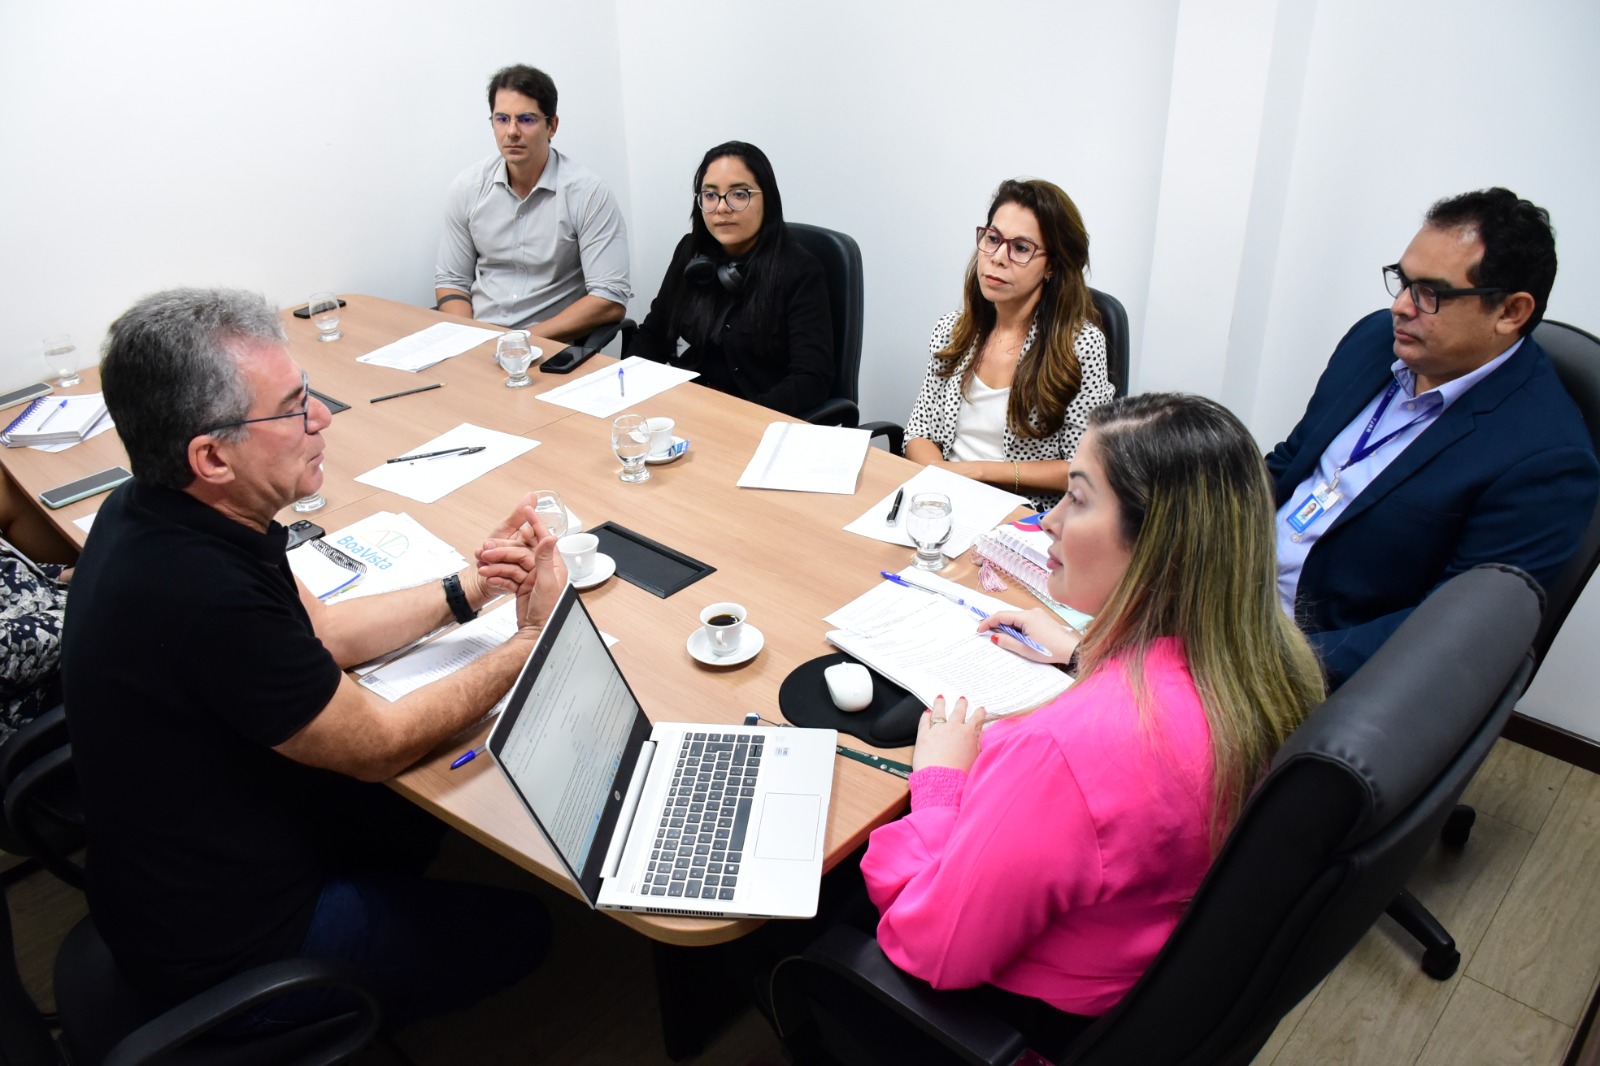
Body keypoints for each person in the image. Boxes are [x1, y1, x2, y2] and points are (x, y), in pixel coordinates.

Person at [61, 288, 567, 1029]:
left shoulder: (151, 506)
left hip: (179, 864)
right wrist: (532, 643)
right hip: (232, 939)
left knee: (423, 825)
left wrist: (475, 585)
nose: (323, 419)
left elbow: (321, 630)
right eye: (296, 407)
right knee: (529, 927)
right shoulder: (201, 595)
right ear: (211, 455)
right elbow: (377, 744)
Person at [860, 393, 1323, 1034]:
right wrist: (1082, 650)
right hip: (1149, 970)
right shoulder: (1270, 665)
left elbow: (932, 946)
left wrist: (938, 787)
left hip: (1029, 1017)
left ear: (1156, 541)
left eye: (1077, 498)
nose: (1049, 522)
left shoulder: (1063, 752)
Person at [1268, 188, 1600, 687]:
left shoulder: (1547, 458)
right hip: (1237, 598)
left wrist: (1269, 660)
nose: (1401, 307)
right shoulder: (1373, 341)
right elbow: (1292, 464)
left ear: (1510, 311)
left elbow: (1451, 632)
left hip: (1317, 658)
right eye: (1402, 282)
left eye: (1431, 293)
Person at [904, 179, 1116, 511]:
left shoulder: (1081, 346)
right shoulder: (952, 330)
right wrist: (942, 482)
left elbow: (1081, 467)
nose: (998, 257)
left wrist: (976, 472)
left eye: (1020, 248)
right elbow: (919, 433)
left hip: (1023, 516)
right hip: (943, 502)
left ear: (1051, 266)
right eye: (993, 239)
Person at [627, 141, 834, 418]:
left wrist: (740, 419)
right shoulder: (691, 253)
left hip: (758, 418)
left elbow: (811, 379)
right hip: (692, 407)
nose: (721, 208)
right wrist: (625, 387)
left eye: (739, 194)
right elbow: (653, 336)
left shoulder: (799, 271)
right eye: (710, 195)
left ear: (767, 200)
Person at [434, 64, 631, 343]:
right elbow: (452, 282)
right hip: (478, 340)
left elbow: (609, 298)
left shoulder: (588, 194)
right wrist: (469, 339)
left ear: (552, 126)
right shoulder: (468, 188)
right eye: (502, 119)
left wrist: (518, 341)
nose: (512, 132)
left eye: (526, 119)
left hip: (547, 344)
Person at [0, 470, 75, 746]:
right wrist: (89, 604)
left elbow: (9, 572)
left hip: (56, 614)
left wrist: (63, 575)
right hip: (35, 698)